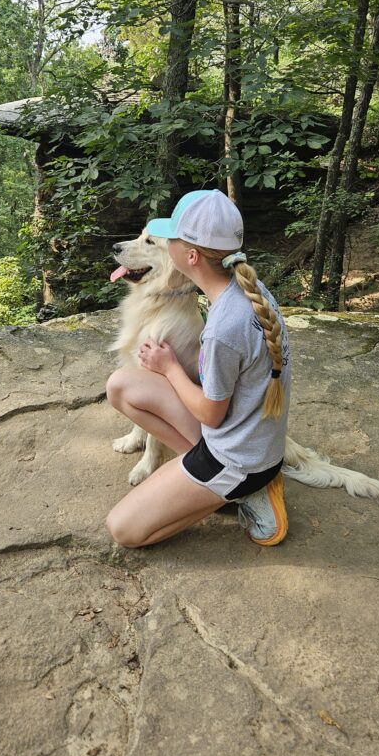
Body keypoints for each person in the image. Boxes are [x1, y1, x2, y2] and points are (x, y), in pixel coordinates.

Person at [105, 189, 291, 549]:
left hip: (235, 458)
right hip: (250, 441)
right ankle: (219, 485)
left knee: (123, 530)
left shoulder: (224, 327)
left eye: (167, 240)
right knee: (120, 386)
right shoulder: (248, 290)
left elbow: (211, 413)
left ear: (189, 256)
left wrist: (170, 367)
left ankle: (239, 495)